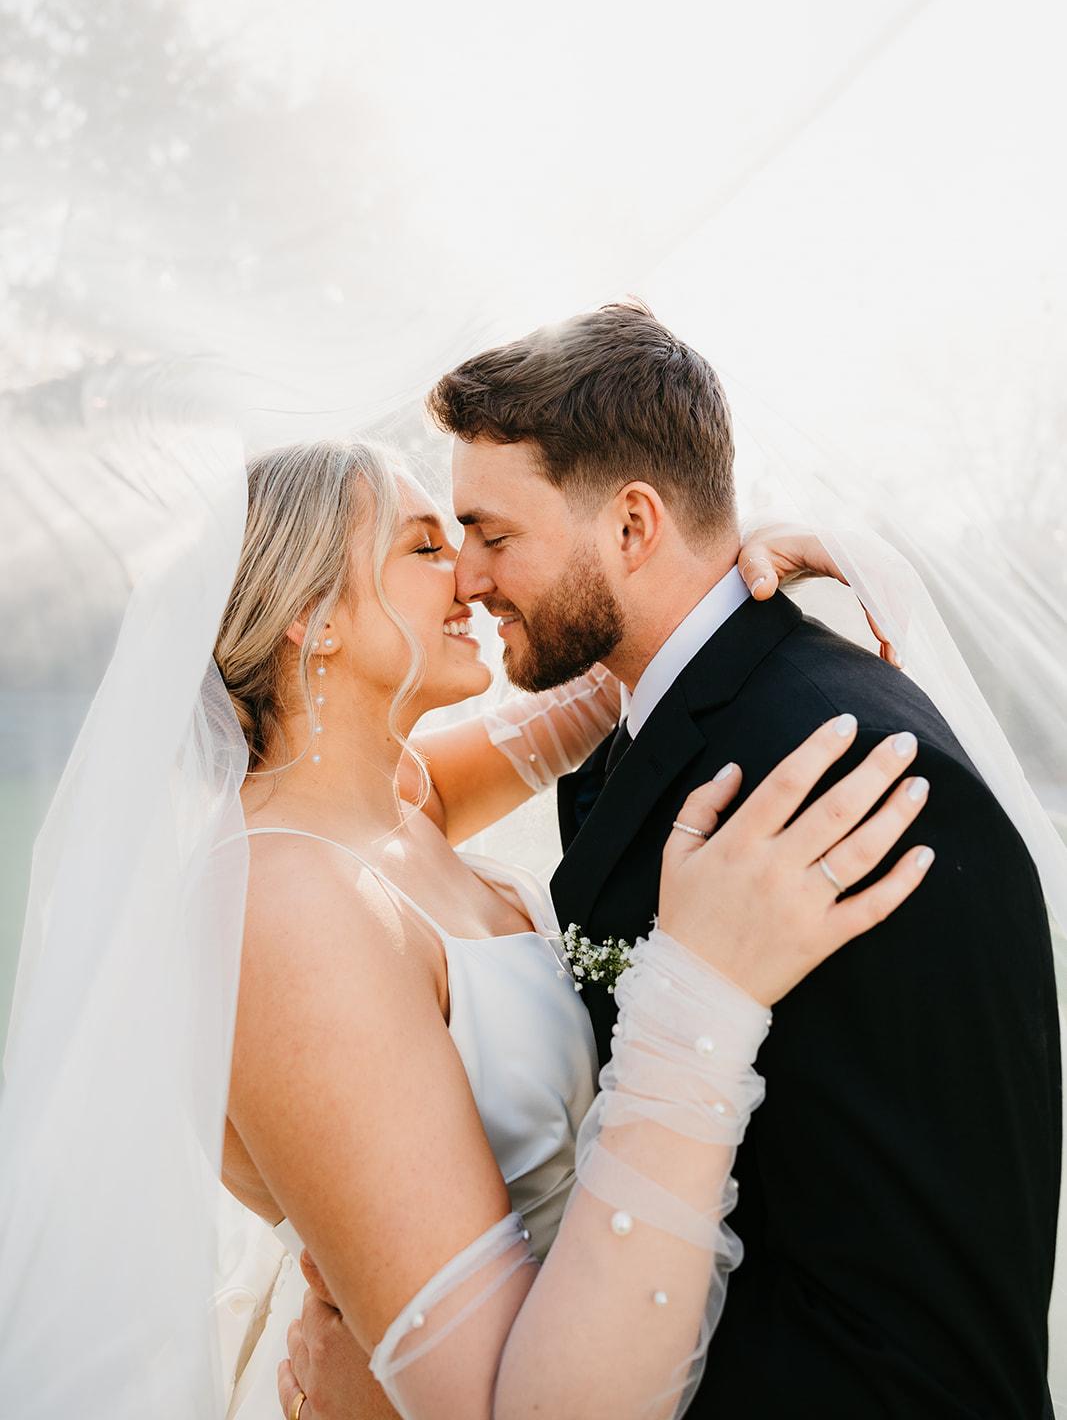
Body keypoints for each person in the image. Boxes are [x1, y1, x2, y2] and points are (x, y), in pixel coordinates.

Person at [291, 302, 1060, 1418]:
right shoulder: (649, 724)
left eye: (492, 534)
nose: (468, 578)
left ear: (632, 525)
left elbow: (919, 1281)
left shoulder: (832, 770)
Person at [209, 433, 931, 1420]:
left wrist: (725, 570)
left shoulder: (396, 805)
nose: (469, 575)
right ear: (311, 619)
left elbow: (598, 688)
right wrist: (702, 985)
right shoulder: (285, 900)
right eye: (424, 546)